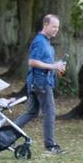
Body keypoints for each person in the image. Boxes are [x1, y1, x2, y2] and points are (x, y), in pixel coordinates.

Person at [15, 14, 67, 155]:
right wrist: (53, 66)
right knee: (50, 113)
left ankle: (9, 133)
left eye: (58, 27)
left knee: (31, 112)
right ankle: (50, 146)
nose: (56, 29)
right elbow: (32, 62)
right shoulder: (39, 41)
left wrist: (57, 68)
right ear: (45, 25)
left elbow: (47, 64)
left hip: (39, 82)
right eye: (54, 26)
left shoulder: (47, 43)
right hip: (40, 83)